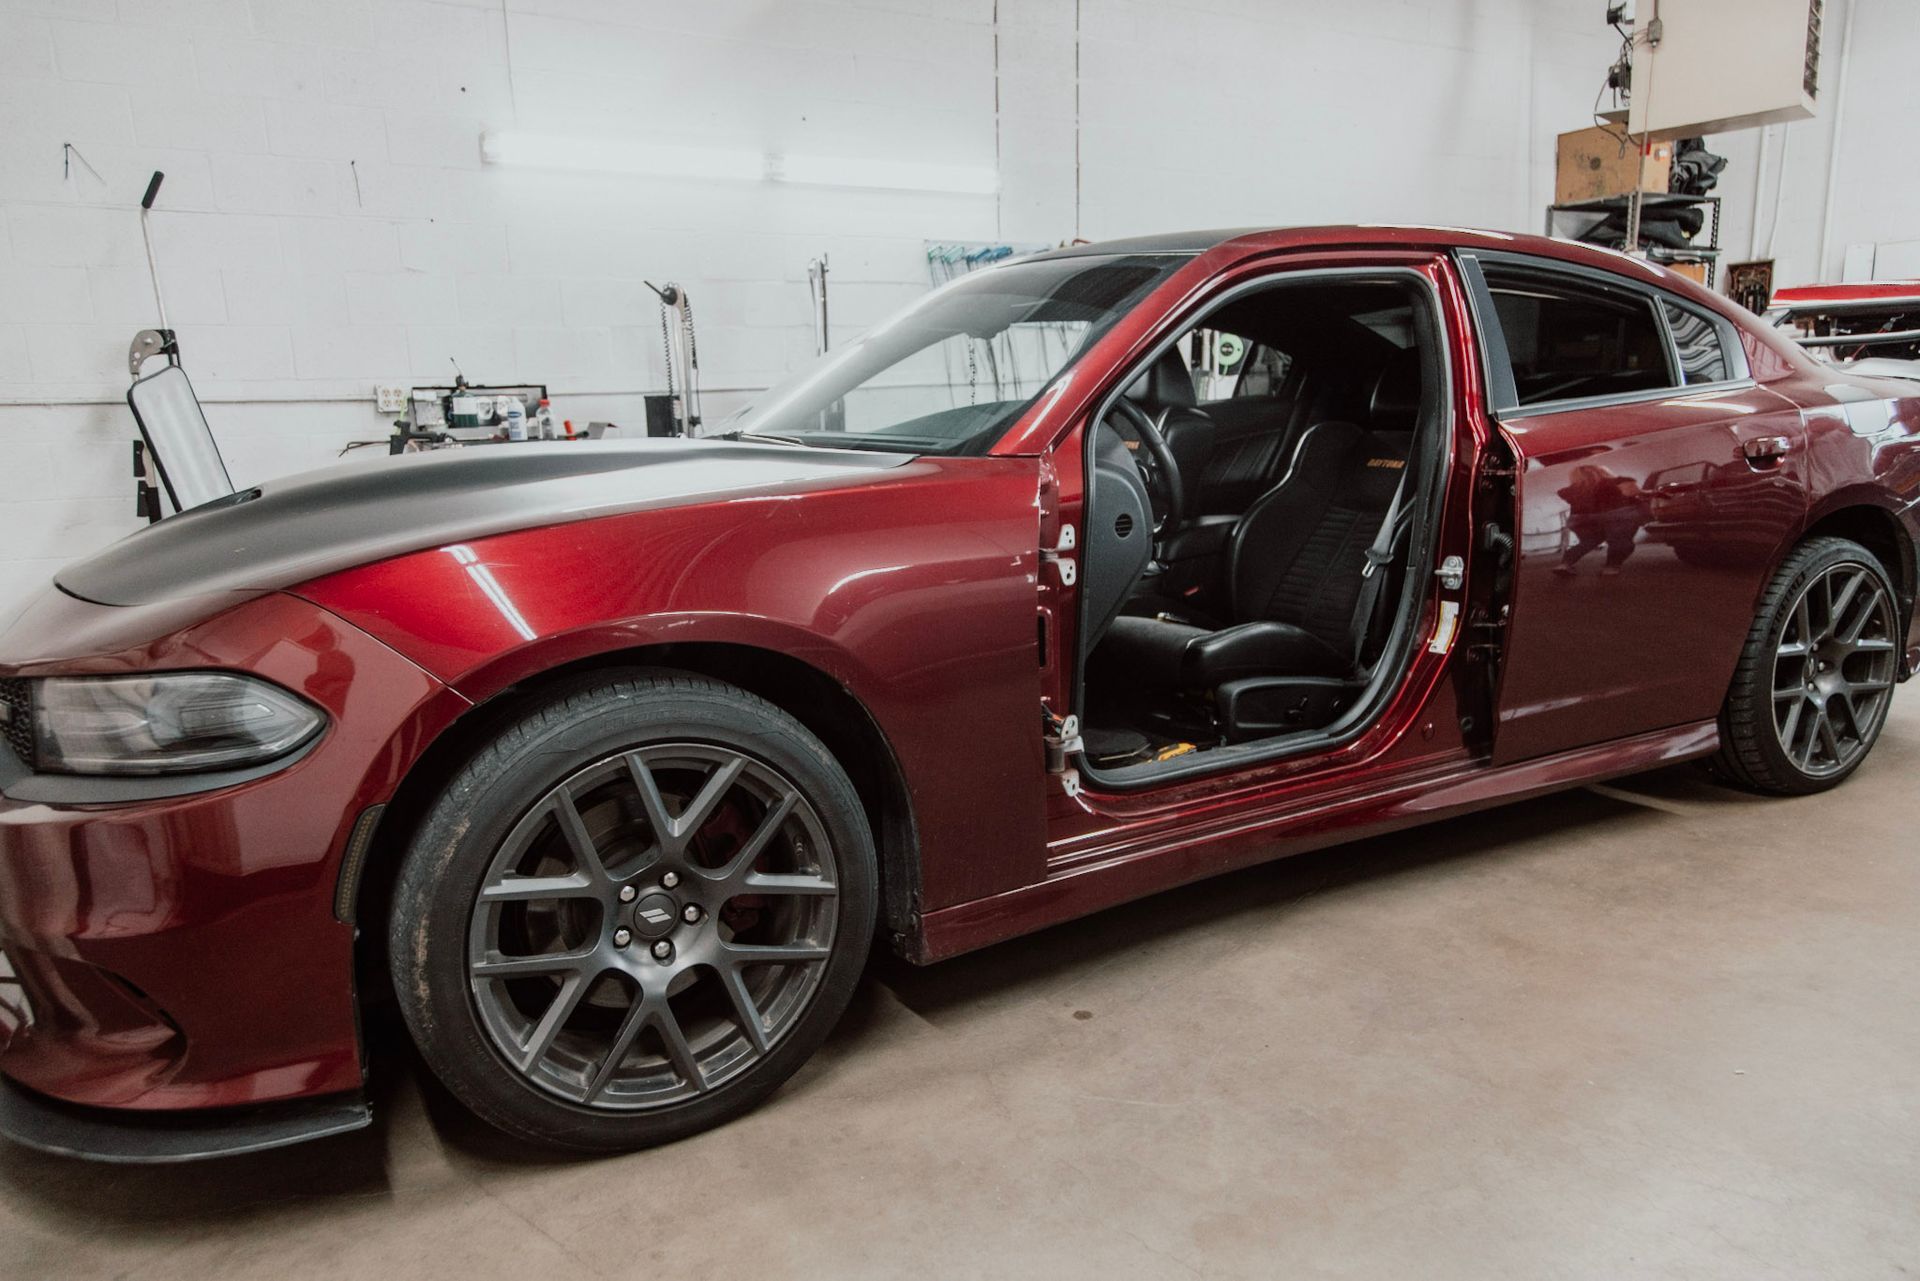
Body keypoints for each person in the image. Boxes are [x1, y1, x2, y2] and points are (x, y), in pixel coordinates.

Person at [1553, 463, 1646, 576]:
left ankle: (1564, 564)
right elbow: (1632, 493)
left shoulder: (1570, 490)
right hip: (1616, 515)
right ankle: (1611, 567)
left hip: (1582, 519)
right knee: (1620, 541)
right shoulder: (1617, 481)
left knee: (1588, 542)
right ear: (1600, 471)